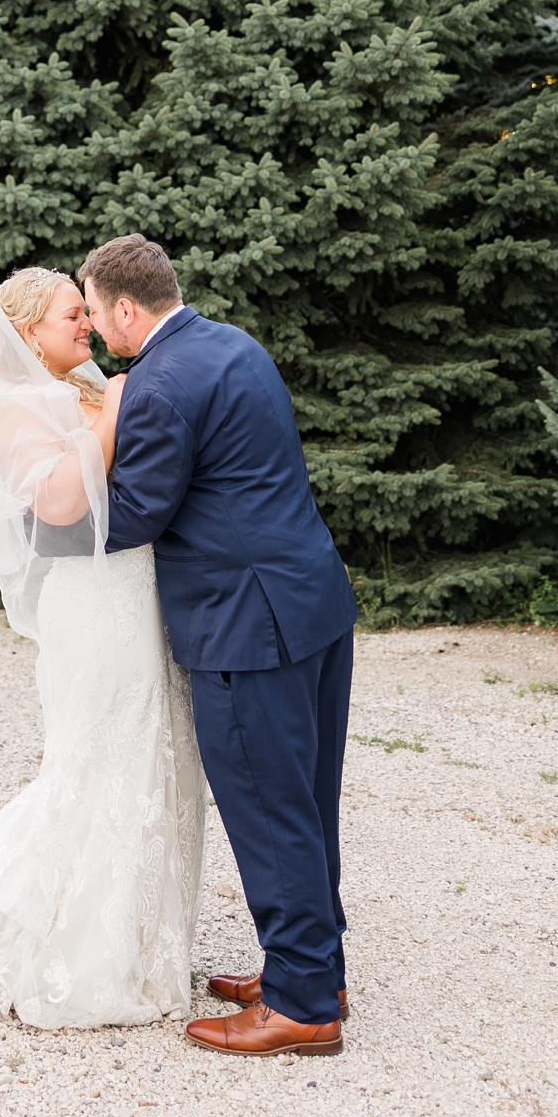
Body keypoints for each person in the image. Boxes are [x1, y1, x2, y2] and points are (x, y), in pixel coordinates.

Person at [81, 233, 358, 1058]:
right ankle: (312, 969)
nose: (93, 331)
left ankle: (304, 1004)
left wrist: (44, 516)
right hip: (311, 603)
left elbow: (134, 513)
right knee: (306, 803)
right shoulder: (233, 345)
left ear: (127, 308)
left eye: (94, 313)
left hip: (247, 626)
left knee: (271, 812)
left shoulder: (159, 383)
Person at [0, 266, 205, 1029]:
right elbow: (56, 502)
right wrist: (110, 413)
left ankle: (141, 947)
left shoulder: (87, 385)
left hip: (136, 588)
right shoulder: (19, 404)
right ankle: (76, 961)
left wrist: (106, 400)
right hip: (91, 600)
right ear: (29, 332)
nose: (88, 323)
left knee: (151, 756)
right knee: (97, 759)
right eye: (73, 314)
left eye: (86, 313)